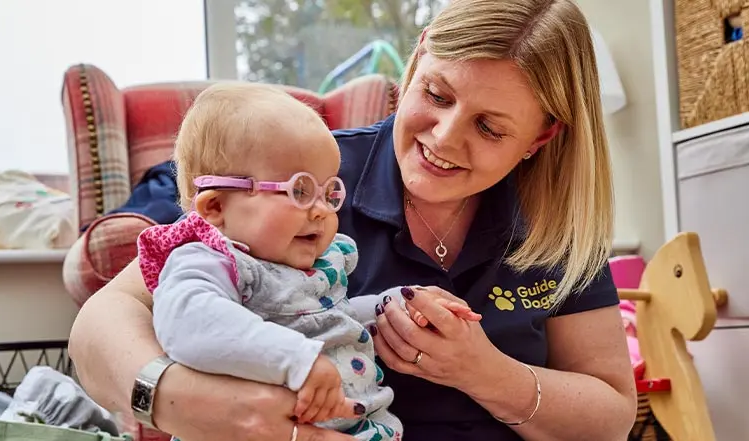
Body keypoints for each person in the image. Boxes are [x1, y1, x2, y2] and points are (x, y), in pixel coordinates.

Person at [68, 0, 638, 440]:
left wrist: (484, 372)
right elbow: (101, 326)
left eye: (489, 128)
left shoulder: (557, 228)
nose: (443, 138)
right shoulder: (301, 179)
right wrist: (180, 398)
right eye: (435, 94)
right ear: (415, 62)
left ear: (541, 136)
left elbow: (612, 418)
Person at [134, 83, 479, 440]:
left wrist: (391, 307)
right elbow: (191, 323)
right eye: (299, 190)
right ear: (216, 207)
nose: (322, 211)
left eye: (329, 192)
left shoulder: (313, 263)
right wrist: (296, 359)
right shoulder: (210, 261)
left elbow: (329, 319)